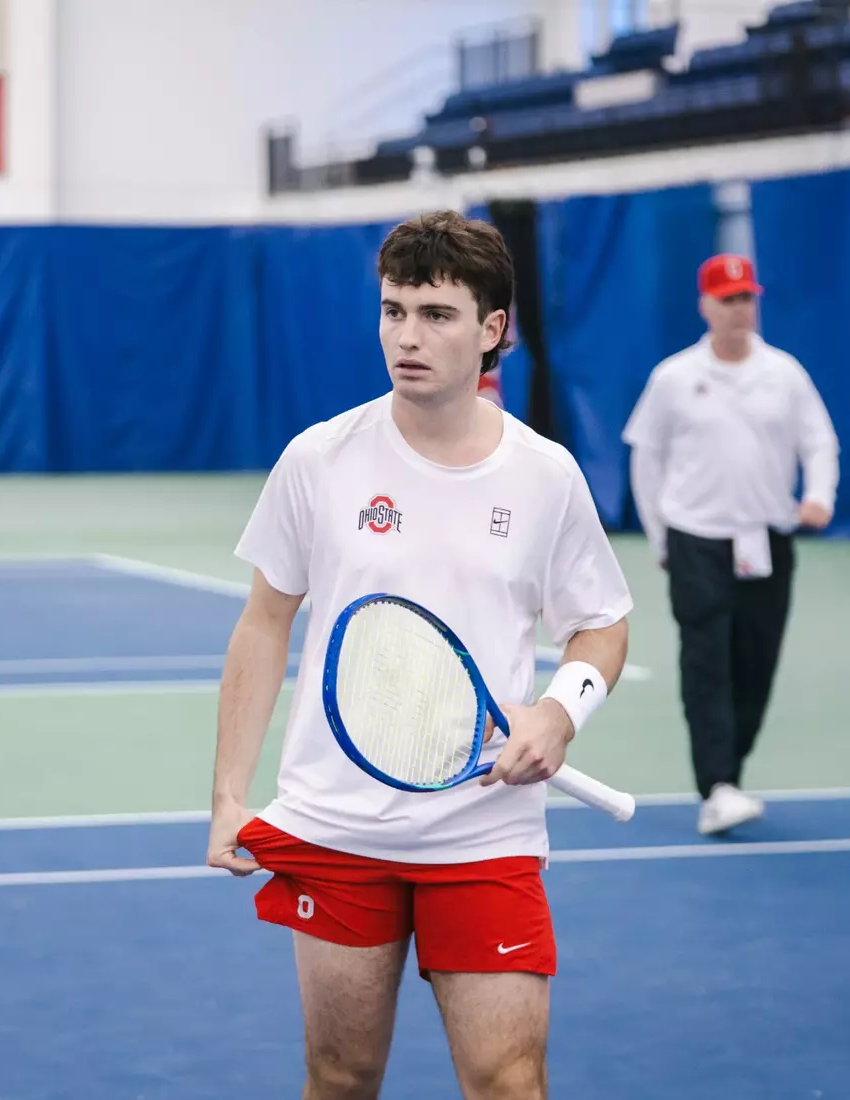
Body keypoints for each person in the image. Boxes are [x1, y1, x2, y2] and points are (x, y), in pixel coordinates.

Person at [206, 210, 633, 1100]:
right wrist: (228, 799)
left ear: (492, 330)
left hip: (487, 830)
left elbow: (600, 621)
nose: (407, 335)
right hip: (338, 822)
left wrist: (562, 711)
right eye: (394, 310)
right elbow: (263, 623)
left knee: (510, 1080)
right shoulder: (318, 460)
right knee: (342, 1075)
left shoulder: (545, 474)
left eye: (436, 314)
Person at [622, 253, 839, 836]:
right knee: (706, 662)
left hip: (768, 540)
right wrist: (662, 536)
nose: (740, 309)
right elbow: (647, 458)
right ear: (706, 306)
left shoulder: (784, 374)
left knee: (755, 664)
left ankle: (729, 775)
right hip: (697, 541)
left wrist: (819, 494)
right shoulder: (674, 378)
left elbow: (819, 441)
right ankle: (715, 786)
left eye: (747, 298)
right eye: (728, 299)